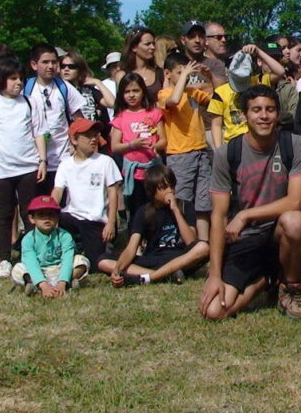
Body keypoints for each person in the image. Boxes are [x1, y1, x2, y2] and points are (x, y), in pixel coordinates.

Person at [199, 86, 301, 320]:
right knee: (214, 312)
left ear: (278, 113)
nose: (264, 116)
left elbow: (295, 201)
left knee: (296, 221)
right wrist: (214, 275)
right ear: (244, 115)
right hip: (245, 239)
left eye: (270, 110)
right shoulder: (227, 153)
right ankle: (267, 279)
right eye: (256, 110)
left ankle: (291, 288)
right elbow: (219, 216)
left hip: (279, 234)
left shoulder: (295, 144)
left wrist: (245, 215)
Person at [0, 58, 48, 281]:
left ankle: (31, 257)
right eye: (13, 78)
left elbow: (39, 133)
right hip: (0, 169)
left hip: (28, 166)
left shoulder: (31, 102)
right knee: (4, 214)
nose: (18, 83)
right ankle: (4, 260)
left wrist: (42, 161)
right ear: (1, 80)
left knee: (29, 214)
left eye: (21, 78)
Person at [100, 165, 209, 285]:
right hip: (154, 259)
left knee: (203, 247)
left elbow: (191, 241)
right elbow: (131, 247)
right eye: (164, 187)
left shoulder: (185, 206)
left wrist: (176, 211)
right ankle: (164, 275)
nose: (170, 190)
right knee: (104, 261)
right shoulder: (144, 212)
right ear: (152, 191)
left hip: (180, 259)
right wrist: (117, 271)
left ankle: (150, 278)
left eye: (172, 186)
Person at [51, 118, 122, 270]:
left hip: (95, 220)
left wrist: (111, 223)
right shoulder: (65, 165)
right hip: (71, 216)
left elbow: (112, 192)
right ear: (74, 140)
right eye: (88, 136)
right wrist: (50, 211)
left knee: (96, 264)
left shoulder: (105, 161)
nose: (93, 139)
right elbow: (57, 191)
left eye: (95, 135)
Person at [158, 51, 213, 235]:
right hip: (180, 154)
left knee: (203, 201)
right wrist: (184, 78)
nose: (186, 76)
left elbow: (214, 100)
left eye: (187, 73)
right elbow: (173, 100)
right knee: (181, 199)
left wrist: (208, 77)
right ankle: (185, 240)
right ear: (168, 74)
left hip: (201, 151)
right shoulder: (164, 93)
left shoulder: (193, 93)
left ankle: (203, 241)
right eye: (180, 72)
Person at [25, 43, 85, 189]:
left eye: (53, 62)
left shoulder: (64, 87)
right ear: (34, 65)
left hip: (63, 158)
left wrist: (76, 145)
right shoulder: (26, 88)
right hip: (34, 160)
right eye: (45, 62)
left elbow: (80, 120)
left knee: (63, 205)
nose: (51, 66)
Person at [110, 73, 166, 224]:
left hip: (153, 170)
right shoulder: (120, 117)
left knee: (157, 206)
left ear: (143, 92)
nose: (131, 95)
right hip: (133, 173)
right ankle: (136, 240)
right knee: (136, 210)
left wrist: (156, 146)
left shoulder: (154, 113)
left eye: (135, 91)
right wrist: (132, 145)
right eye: (127, 92)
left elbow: (163, 140)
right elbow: (114, 147)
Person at [10, 196, 89, 297]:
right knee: (17, 269)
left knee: (82, 261)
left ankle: (68, 282)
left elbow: (67, 259)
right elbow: (31, 262)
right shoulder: (28, 239)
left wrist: (62, 282)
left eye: (51, 215)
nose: (47, 218)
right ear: (32, 218)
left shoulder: (65, 236)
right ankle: (35, 285)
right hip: (39, 270)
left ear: (57, 218)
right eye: (41, 215)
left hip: (60, 270)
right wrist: (43, 285)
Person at [207, 45, 285, 147]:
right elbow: (216, 124)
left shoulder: (259, 81)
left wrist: (258, 52)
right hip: (233, 144)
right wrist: (219, 150)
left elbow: (280, 71)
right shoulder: (220, 92)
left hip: (261, 141)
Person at [59, 49, 114, 149]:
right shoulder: (58, 91)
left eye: (71, 67)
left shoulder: (89, 90)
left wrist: (98, 82)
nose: (66, 69)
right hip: (71, 143)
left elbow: (112, 103)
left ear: (80, 69)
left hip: (94, 142)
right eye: (63, 66)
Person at [121, 27, 166, 102]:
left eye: (153, 44)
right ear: (134, 47)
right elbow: (120, 105)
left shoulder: (161, 73)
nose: (152, 47)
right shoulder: (122, 75)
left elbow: (167, 100)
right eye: (147, 44)